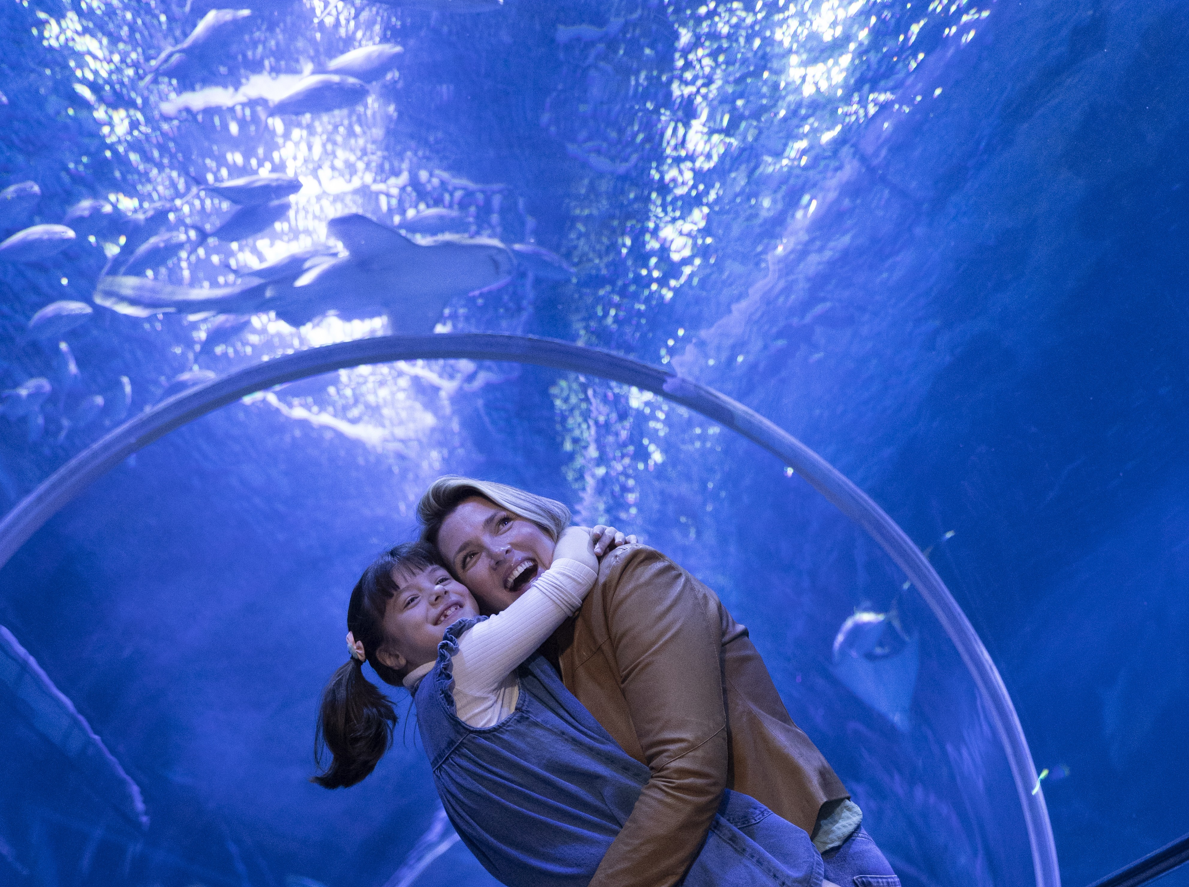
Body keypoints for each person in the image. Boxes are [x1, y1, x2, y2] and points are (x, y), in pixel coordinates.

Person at [418, 477, 900, 887]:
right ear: (470, 596)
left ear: (538, 518)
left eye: (502, 522)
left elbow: (689, 771)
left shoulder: (629, 577)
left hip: (815, 863)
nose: (499, 552)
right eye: (469, 558)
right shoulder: (526, 676)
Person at [315, 530, 837, 887]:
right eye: (410, 601)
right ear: (389, 654)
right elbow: (566, 582)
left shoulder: (439, 735)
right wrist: (576, 530)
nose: (436, 594)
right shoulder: (464, 664)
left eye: (441, 578)